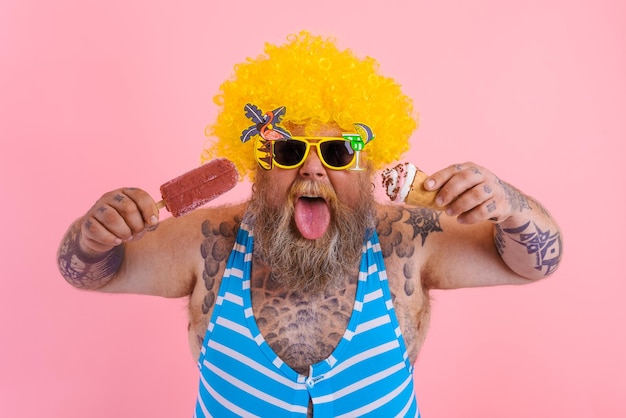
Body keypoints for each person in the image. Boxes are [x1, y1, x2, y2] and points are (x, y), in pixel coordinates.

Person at [57, 31, 563, 417]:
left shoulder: (408, 243)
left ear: (368, 162)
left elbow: (532, 264)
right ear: (258, 164)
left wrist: (511, 206)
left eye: (339, 151)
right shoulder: (207, 244)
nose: (313, 169)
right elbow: (92, 271)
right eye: (288, 148)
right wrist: (93, 235)